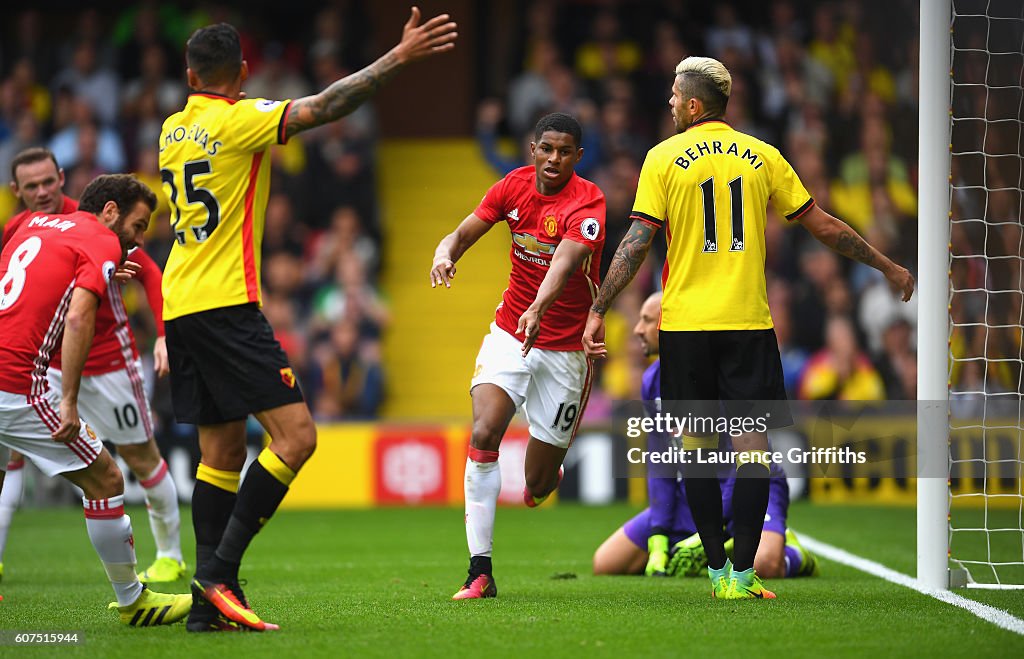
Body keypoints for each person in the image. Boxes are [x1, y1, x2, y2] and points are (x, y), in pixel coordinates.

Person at [158, 10, 457, 632]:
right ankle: (218, 574)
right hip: (226, 303)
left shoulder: (170, 130)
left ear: (189, 76)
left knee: (221, 452)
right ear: (241, 73)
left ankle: (211, 600)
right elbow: (325, 106)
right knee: (297, 438)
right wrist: (397, 59)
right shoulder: (241, 119)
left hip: (179, 306)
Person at [582, 56, 914, 600]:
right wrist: (887, 266)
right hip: (747, 326)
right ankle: (743, 572)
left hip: (686, 327)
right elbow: (824, 227)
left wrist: (599, 305)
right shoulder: (762, 156)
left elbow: (637, 241)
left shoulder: (663, 158)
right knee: (754, 451)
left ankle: (719, 576)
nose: (667, 102)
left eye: (673, 94)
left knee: (695, 451)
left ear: (693, 104)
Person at [0, 173, 191, 625]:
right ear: (110, 212)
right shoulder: (101, 240)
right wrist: (66, 399)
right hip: (18, 383)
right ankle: (132, 601)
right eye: (139, 226)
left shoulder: (31, 224)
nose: (139, 238)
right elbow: (82, 315)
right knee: (106, 479)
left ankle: (167, 558)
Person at [430, 112, 605, 600]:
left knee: (538, 485)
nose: (554, 159)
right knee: (484, 432)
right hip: (511, 331)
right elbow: (461, 233)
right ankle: (479, 571)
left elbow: (566, 262)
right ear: (532, 148)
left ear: (578, 156)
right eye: (546, 148)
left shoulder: (588, 201)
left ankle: (549, 470)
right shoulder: (512, 187)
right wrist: (444, 254)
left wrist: (540, 308)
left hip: (565, 349)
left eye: (564, 151)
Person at [591, 292, 819, 579]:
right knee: (606, 563)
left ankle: (794, 552)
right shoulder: (651, 381)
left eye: (646, 320)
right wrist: (659, 537)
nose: (637, 329)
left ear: (667, 323)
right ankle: (717, 546)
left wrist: (709, 530)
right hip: (695, 495)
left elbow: (741, 461)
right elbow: (662, 460)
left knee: (767, 565)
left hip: (747, 490)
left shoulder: (722, 376)